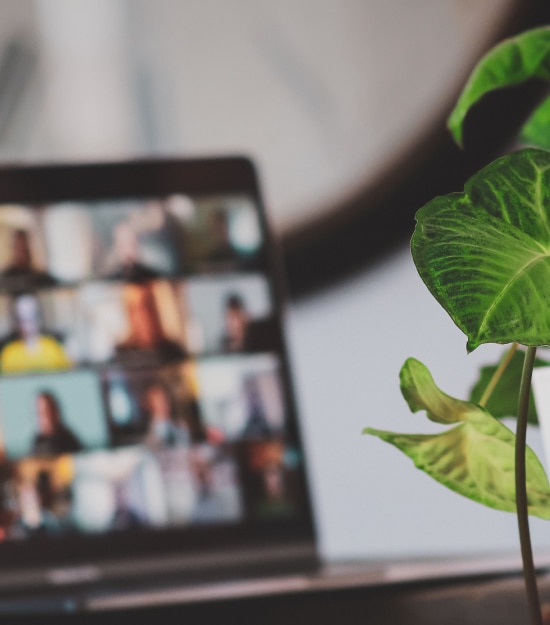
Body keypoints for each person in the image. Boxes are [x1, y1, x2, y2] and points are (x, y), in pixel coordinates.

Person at [114, 283, 186, 367]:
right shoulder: (120, 356)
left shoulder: (176, 353)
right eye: (134, 309)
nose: (143, 315)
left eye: (148, 305)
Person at [0, 293, 71, 373]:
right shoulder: (9, 353)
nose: (26, 324)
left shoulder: (53, 349)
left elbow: (67, 376)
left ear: (39, 318)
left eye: (31, 317)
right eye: (21, 319)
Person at [31, 391, 82, 456]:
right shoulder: (36, 444)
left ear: (56, 410)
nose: (45, 416)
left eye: (48, 410)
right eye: (40, 412)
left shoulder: (69, 440)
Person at [143, 382, 190, 448]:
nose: (164, 403)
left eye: (165, 398)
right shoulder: (148, 436)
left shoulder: (181, 425)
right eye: (159, 400)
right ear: (148, 405)